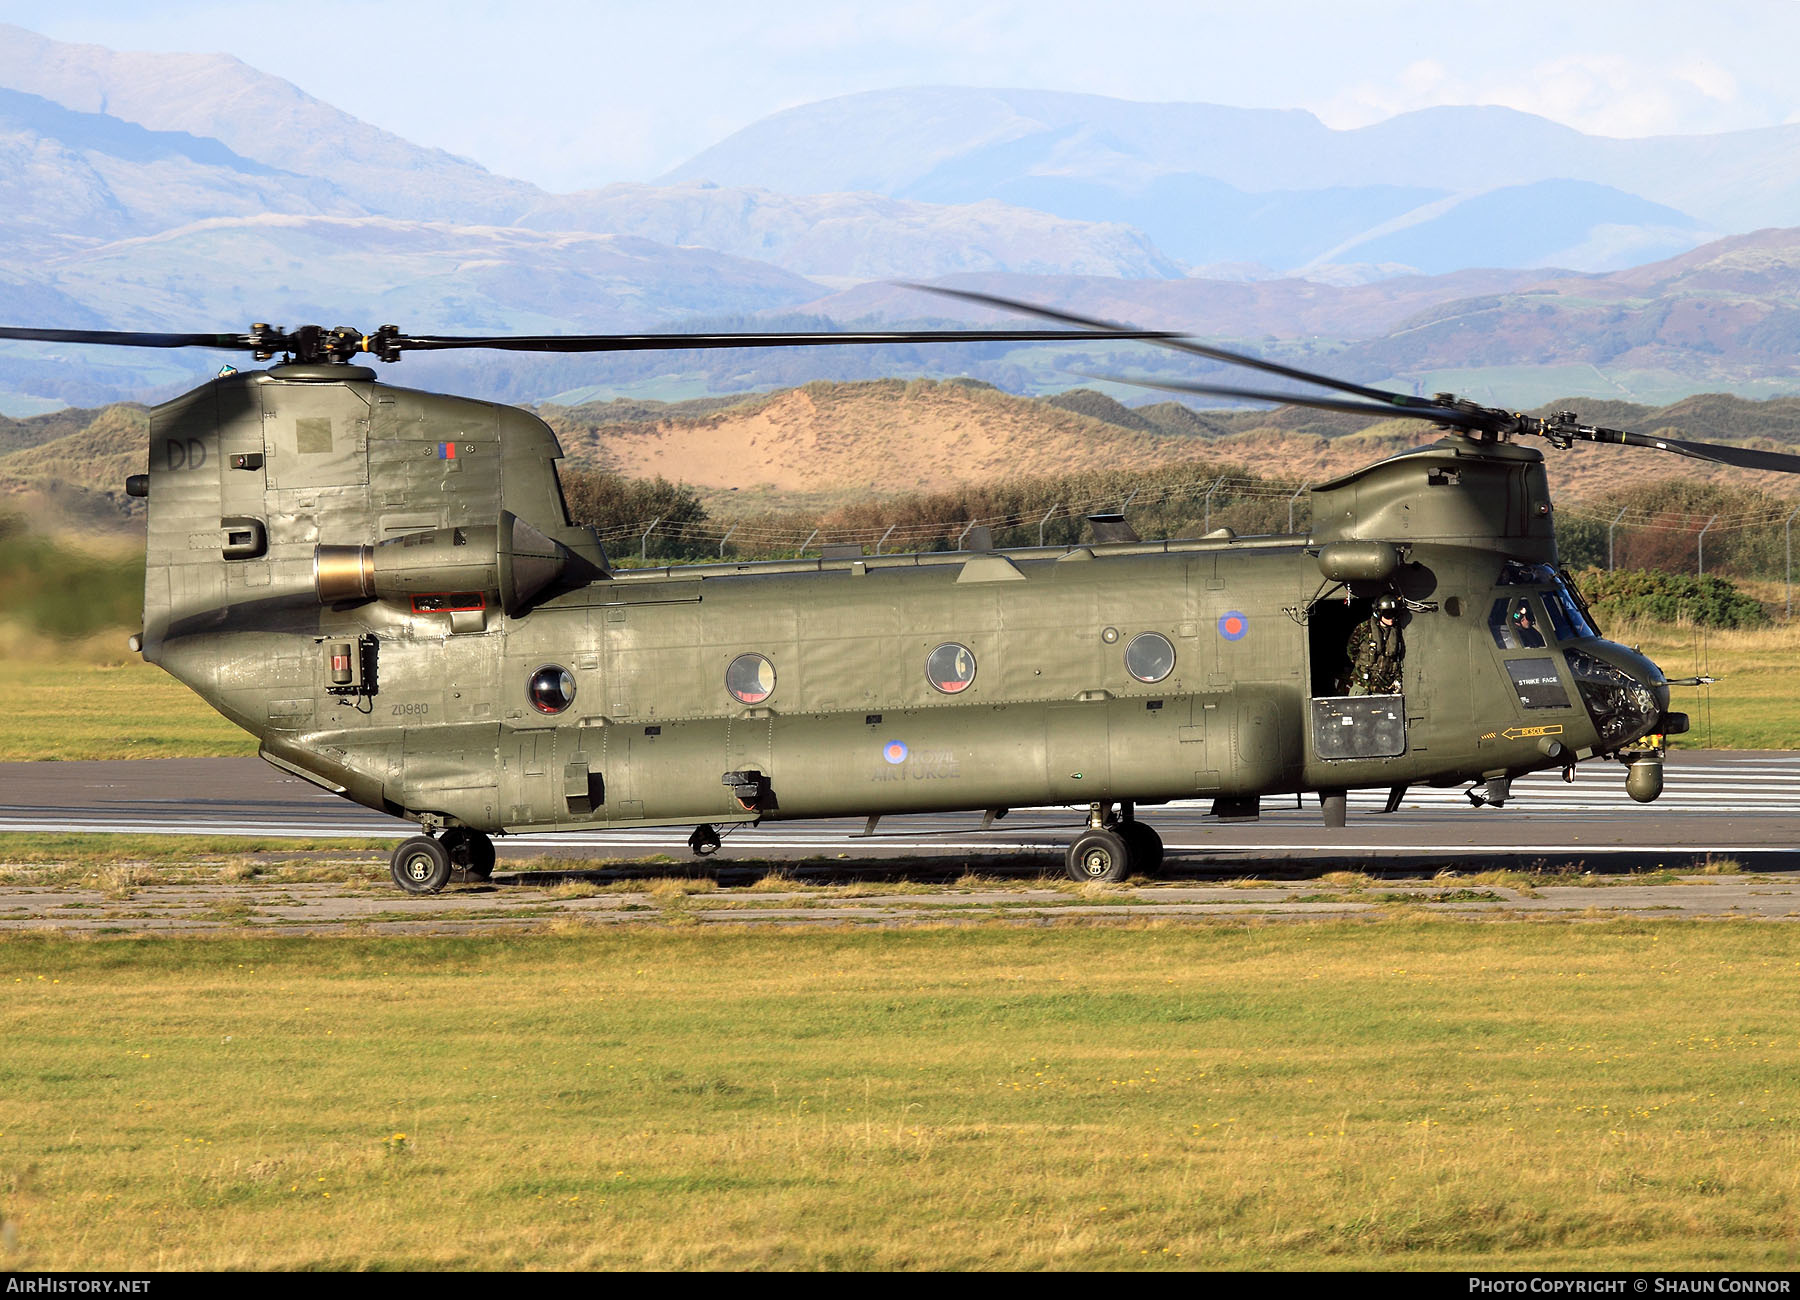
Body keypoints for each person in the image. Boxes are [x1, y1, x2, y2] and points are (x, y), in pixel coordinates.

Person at [1342, 596, 1405, 695]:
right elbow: (1351, 649)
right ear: (1379, 613)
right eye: (1387, 614)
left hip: (1383, 684)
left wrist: (1397, 679)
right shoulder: (1364, 628)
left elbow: (1397, 658)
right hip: (1362, 682)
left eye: (1394, 614)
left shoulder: (1397, 632)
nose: (1391, 618)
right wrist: (1361, 664)